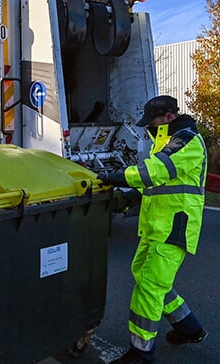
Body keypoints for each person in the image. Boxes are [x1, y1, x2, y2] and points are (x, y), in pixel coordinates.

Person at [98, 95, 208, 364]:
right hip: (156, 226)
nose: (148, 127)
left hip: (174, 227)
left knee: (150, 286)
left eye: (153, 122)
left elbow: (155, 172)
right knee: (149, 278)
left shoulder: (186, 140)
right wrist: (130, 198)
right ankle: (189, 327)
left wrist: (116, 177)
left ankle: (141, 352)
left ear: (169, 117)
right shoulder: (167, 139)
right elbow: (160, 184)